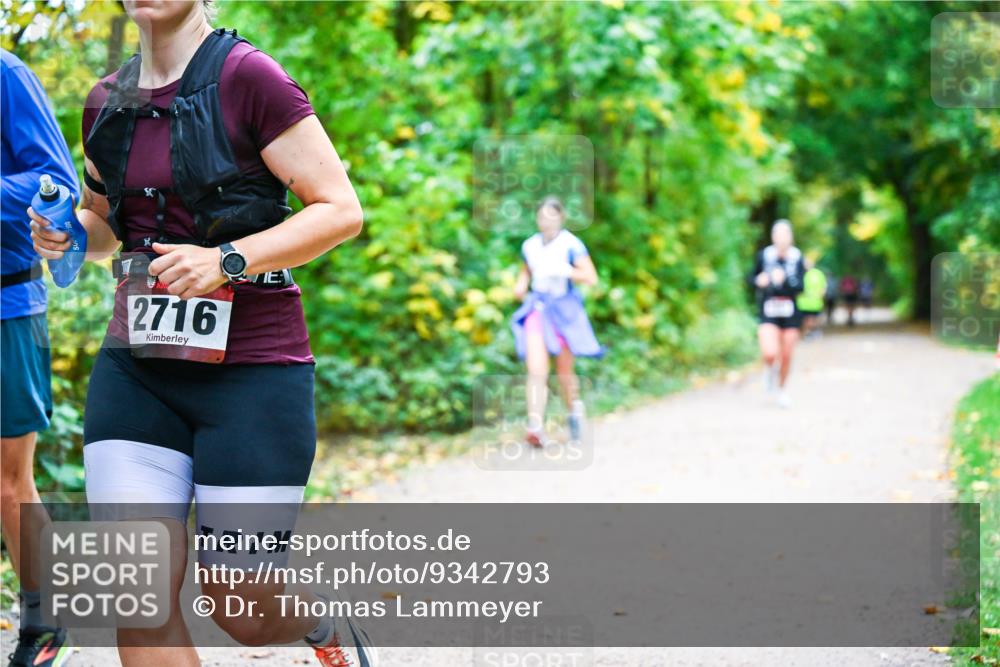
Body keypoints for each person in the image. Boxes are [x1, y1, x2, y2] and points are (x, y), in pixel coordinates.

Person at [28, 2, 375, 665]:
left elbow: (340, 210)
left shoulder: (250, 79)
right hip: (137, 368)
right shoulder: (106, 100)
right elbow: (105, 224)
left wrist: (226, 260)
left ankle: (321, 626)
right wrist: (67, 233)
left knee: (240, 605)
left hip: (255, 371)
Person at [1, 48, 78, 667]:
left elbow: (57, 183)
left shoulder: (6, 75)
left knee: (6, 478)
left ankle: (44, 621)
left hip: (6, 306)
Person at [511, 197, 601, 447]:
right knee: (536, 370)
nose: (546, 222)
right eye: (542, 217)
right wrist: (520, 287)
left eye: (551, 217)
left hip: (563, 312)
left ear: (561, 217)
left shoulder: (571, 244)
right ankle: (535, 426)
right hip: (538, 308)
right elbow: (524, 274)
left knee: (564, 372)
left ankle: (574, 414)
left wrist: (565, 270)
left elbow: (591, 277)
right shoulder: (530, 245)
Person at [750, 220, 806, 408]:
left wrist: (786, 280)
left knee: (787, 354)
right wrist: (759, 281)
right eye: (778, 234)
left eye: (785, 234)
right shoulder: (764, 256)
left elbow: (801, 286)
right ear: (773, 237)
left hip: (790, 313)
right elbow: (751, 277)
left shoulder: (797, 257)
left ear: (791, 237)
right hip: (769, 310)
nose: (782, 238)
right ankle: (769, 369)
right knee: (770, 352)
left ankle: (782, 390)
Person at [796, 257, 827, 339]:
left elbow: (823, 287)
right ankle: (807, 332)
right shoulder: (799, 273)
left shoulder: (818, 274)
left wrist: (821, 295)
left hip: (814, 302)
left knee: (812, 319)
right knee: (804, 319)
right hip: (802, 303)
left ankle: (810, 332)